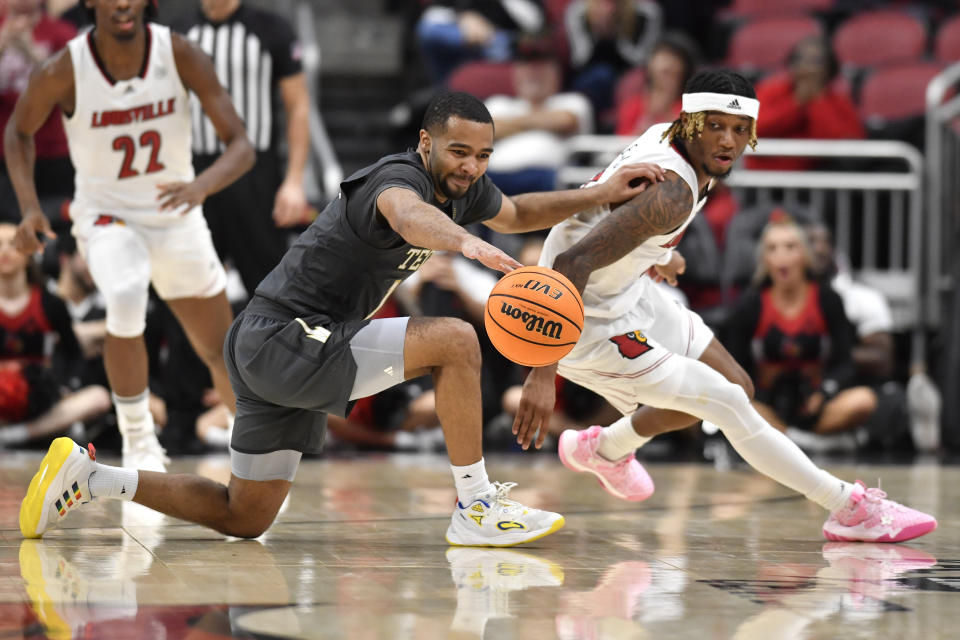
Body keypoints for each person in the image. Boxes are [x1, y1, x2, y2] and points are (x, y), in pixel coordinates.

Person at [19, 90, 665, 545]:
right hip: (286, 337)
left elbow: (520, 213)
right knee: (456, 340)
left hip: (279, 347)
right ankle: (475, 503)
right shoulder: (394, 180)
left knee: (245, 516)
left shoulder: (466, 188)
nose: (471, 167)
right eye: (459, 152)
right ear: (425, 143)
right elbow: (408, 217)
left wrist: (601, 193)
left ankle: (90, 476)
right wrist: (461, 241)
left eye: (483, 156)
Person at [512, 69, 937, 543]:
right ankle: (849, 508)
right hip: (578, 319)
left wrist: (658, 253)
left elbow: (616, 223)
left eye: (739, 130)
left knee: (736, 383)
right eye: (715, 126)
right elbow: (572, 261)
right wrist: (542, 372)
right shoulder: (671, 191)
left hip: (626, 289)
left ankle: (606, 449)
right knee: (727, 402)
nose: (728, 141)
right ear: (690, 121)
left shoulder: (673, 143)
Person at [4, 0, 255, 471]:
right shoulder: (66, 67)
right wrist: (30, 207)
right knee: (124, 290)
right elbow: (19, 132)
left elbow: (240, 144)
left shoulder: (180, 53)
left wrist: (201, 186)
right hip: (106, 215)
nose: (122, 2)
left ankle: (252, 458)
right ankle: (140, 441)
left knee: (219, 346)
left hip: (174, 212)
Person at [180, 0, 311, 298]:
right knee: (190, 287)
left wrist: (294, 180)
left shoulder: (271, 29)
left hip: (256, 176)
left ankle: (268, 345)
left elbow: (299, 106)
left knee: (268, 289)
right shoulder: (178, 32)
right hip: (195, 173)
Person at [724, 217, 878, 443]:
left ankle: (794, 443)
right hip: (767, 406)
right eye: (772, 248)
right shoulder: (751, 304)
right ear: (764, 259)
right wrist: (759, 394)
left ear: (805, 255)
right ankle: (803, 441)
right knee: (736, 407)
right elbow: (733, 364)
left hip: (816, 404)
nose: (781, 256)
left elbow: (845, 363)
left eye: (790, 247)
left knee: (864, 400)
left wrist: (823, 393)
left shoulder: (827, 299)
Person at [0, 222, 111, 447]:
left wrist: (66, 386)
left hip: (37, 397)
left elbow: (74, 353)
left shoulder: (50, 303)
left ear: (30, 251)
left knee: (98, 397)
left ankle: (18, 435)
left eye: (13, 244)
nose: (5, 251)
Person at [484, 38, 593, 195]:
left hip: (546, 182)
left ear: (557, 72)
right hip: (494, 182)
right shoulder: (499, 103)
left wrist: (509, 125)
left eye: (541, 65)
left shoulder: (572, 101)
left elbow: (565, 121)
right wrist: (539, 121)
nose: (533, 72)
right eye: (526, 64)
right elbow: (484, 132)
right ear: (515, 71)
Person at [0, 0, 76, 223]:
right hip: (5, 151)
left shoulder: (61, 31)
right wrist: (3, 43)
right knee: (11, 224)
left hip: (53, 150)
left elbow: (70, 89)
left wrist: (31, 52)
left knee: (58, 221)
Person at [748, 37, 864, 171]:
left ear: (829, 69)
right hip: (762, 179)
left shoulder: (840, 102)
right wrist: (796, 103)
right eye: (799, 59)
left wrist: (817, 102)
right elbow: (753, 127)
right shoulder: (770, 91)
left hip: (817, 180)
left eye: (816, 61)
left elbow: (842, 145)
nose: (806, 66)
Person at [614, 32, 698, 136]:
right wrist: (648, 119)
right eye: (664, 56)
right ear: (650, 66)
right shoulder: (632, 106)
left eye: (674, 59)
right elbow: (620, 145)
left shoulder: (692, 108)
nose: (668, 63)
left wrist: (667, 111)